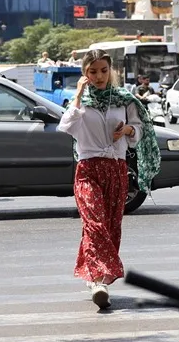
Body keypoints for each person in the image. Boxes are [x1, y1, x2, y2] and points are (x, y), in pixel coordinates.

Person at [57, 49, 161, 309]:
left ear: (111, 70)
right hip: (89, 169)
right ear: (84, 73)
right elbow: (67, 126)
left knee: (111, 227)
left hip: (116, 169)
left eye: (103, 70)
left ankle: (97, 280)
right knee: (95, 224)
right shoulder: (80, 102)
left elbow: (139, 130)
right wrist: (79, 96)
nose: (99, 76)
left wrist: (126, 130)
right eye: (92, 71)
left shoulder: (124, 99)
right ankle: (100, 278)